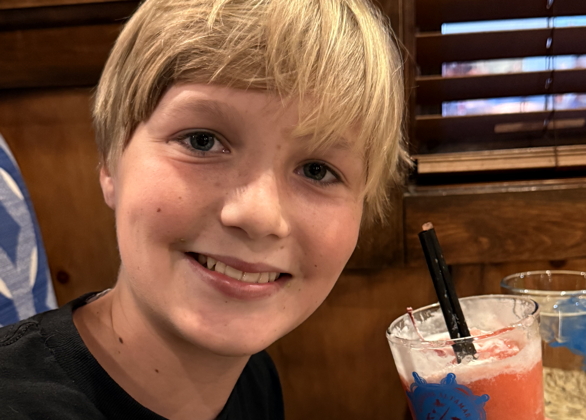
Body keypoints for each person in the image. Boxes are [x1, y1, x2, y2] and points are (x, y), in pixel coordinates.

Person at [0, 0, 408, 418]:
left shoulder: (253, 376)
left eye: (317, 170)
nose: (259, 215)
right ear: (110, 163)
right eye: (202, 141)